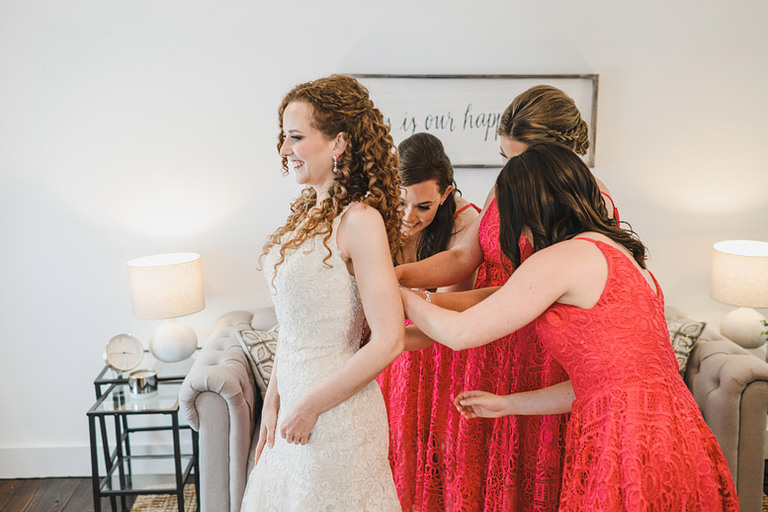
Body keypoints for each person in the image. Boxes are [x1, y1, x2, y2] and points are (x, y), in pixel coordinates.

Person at [401, 143, 739, 511]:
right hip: (679, 432)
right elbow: (601, 383)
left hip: (624, 439)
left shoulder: (560, 259)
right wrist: (507, 404)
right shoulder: (621, 255)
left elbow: (459, 333)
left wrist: (397, 292)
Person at [394, 85, 611, 511]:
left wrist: (413, 298)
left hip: (536, 355)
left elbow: (521, 295)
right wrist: (393, 274)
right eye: (504, 158)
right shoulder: (505, 188)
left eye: (519, 158)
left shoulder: (591, 203)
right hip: (481, 345)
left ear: (557, 155)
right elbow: (461, 257)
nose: (510, 170)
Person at [240, 75, 403, 511]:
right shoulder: (306, 215)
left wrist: (310, 406)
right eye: (283, 137)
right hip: (291, 410)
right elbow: (292, 330)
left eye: (295, 137)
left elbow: (389, 339)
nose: (283, 150)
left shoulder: (360, 221)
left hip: (336, 415)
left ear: (338, 143)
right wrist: (273, 400)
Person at [374, 132, 480, 510]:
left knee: (437, 459)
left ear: (447, 194)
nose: (408, 218)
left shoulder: (468, 225)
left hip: (439, 349)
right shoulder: (378, 216)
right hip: (392, 350)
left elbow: (449, 312)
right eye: (402, 203)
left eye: (423, 207)